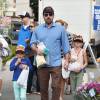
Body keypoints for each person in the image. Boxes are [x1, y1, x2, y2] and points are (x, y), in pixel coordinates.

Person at [30, 6, 70, 100]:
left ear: (53, 15)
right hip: (42, 63)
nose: (48, 16)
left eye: (50, 14)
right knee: (43, 89)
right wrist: (36, 50)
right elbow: (32, 43)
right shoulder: (37, 29)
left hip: (56, 63)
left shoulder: (60, 29)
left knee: (56, 87)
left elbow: (66, 46)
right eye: (46, 14)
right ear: (43, 16)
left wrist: (67, 61)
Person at [18, 12, 34, 94]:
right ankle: (22, 87)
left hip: (29, 53)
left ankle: (28, 89)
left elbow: (34, 42)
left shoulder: (32, 29)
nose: (22, 19)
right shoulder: (21, 28)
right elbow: (20, 41)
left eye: (23, 17)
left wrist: (29, 42)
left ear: (28, 18)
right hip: (21, 53)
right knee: (20, 69)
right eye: (21, 17)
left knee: (29, 71)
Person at [55, 19, 72, 100]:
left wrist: (67, 60)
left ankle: (60, 96)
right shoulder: (53, 34)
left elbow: (69, 49)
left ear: (62, 26)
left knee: (62, 79)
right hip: (54, 60)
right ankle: (57, 95)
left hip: (63, 59)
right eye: (56, 25)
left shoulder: (68, 35)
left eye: (59, 25)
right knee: (55, 80)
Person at [69, 35, 88, 100]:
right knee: (73, 89)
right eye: (76, 41)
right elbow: (67, 60)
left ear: (82, 43)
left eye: (79, 42)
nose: (77, 43)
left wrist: (81, 68)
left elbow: (86, 63)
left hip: (80, 72)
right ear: (73, 42)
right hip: (72, 72)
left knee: (79, 89)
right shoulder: (71, 50)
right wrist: (70, 60)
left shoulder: (83, 51)